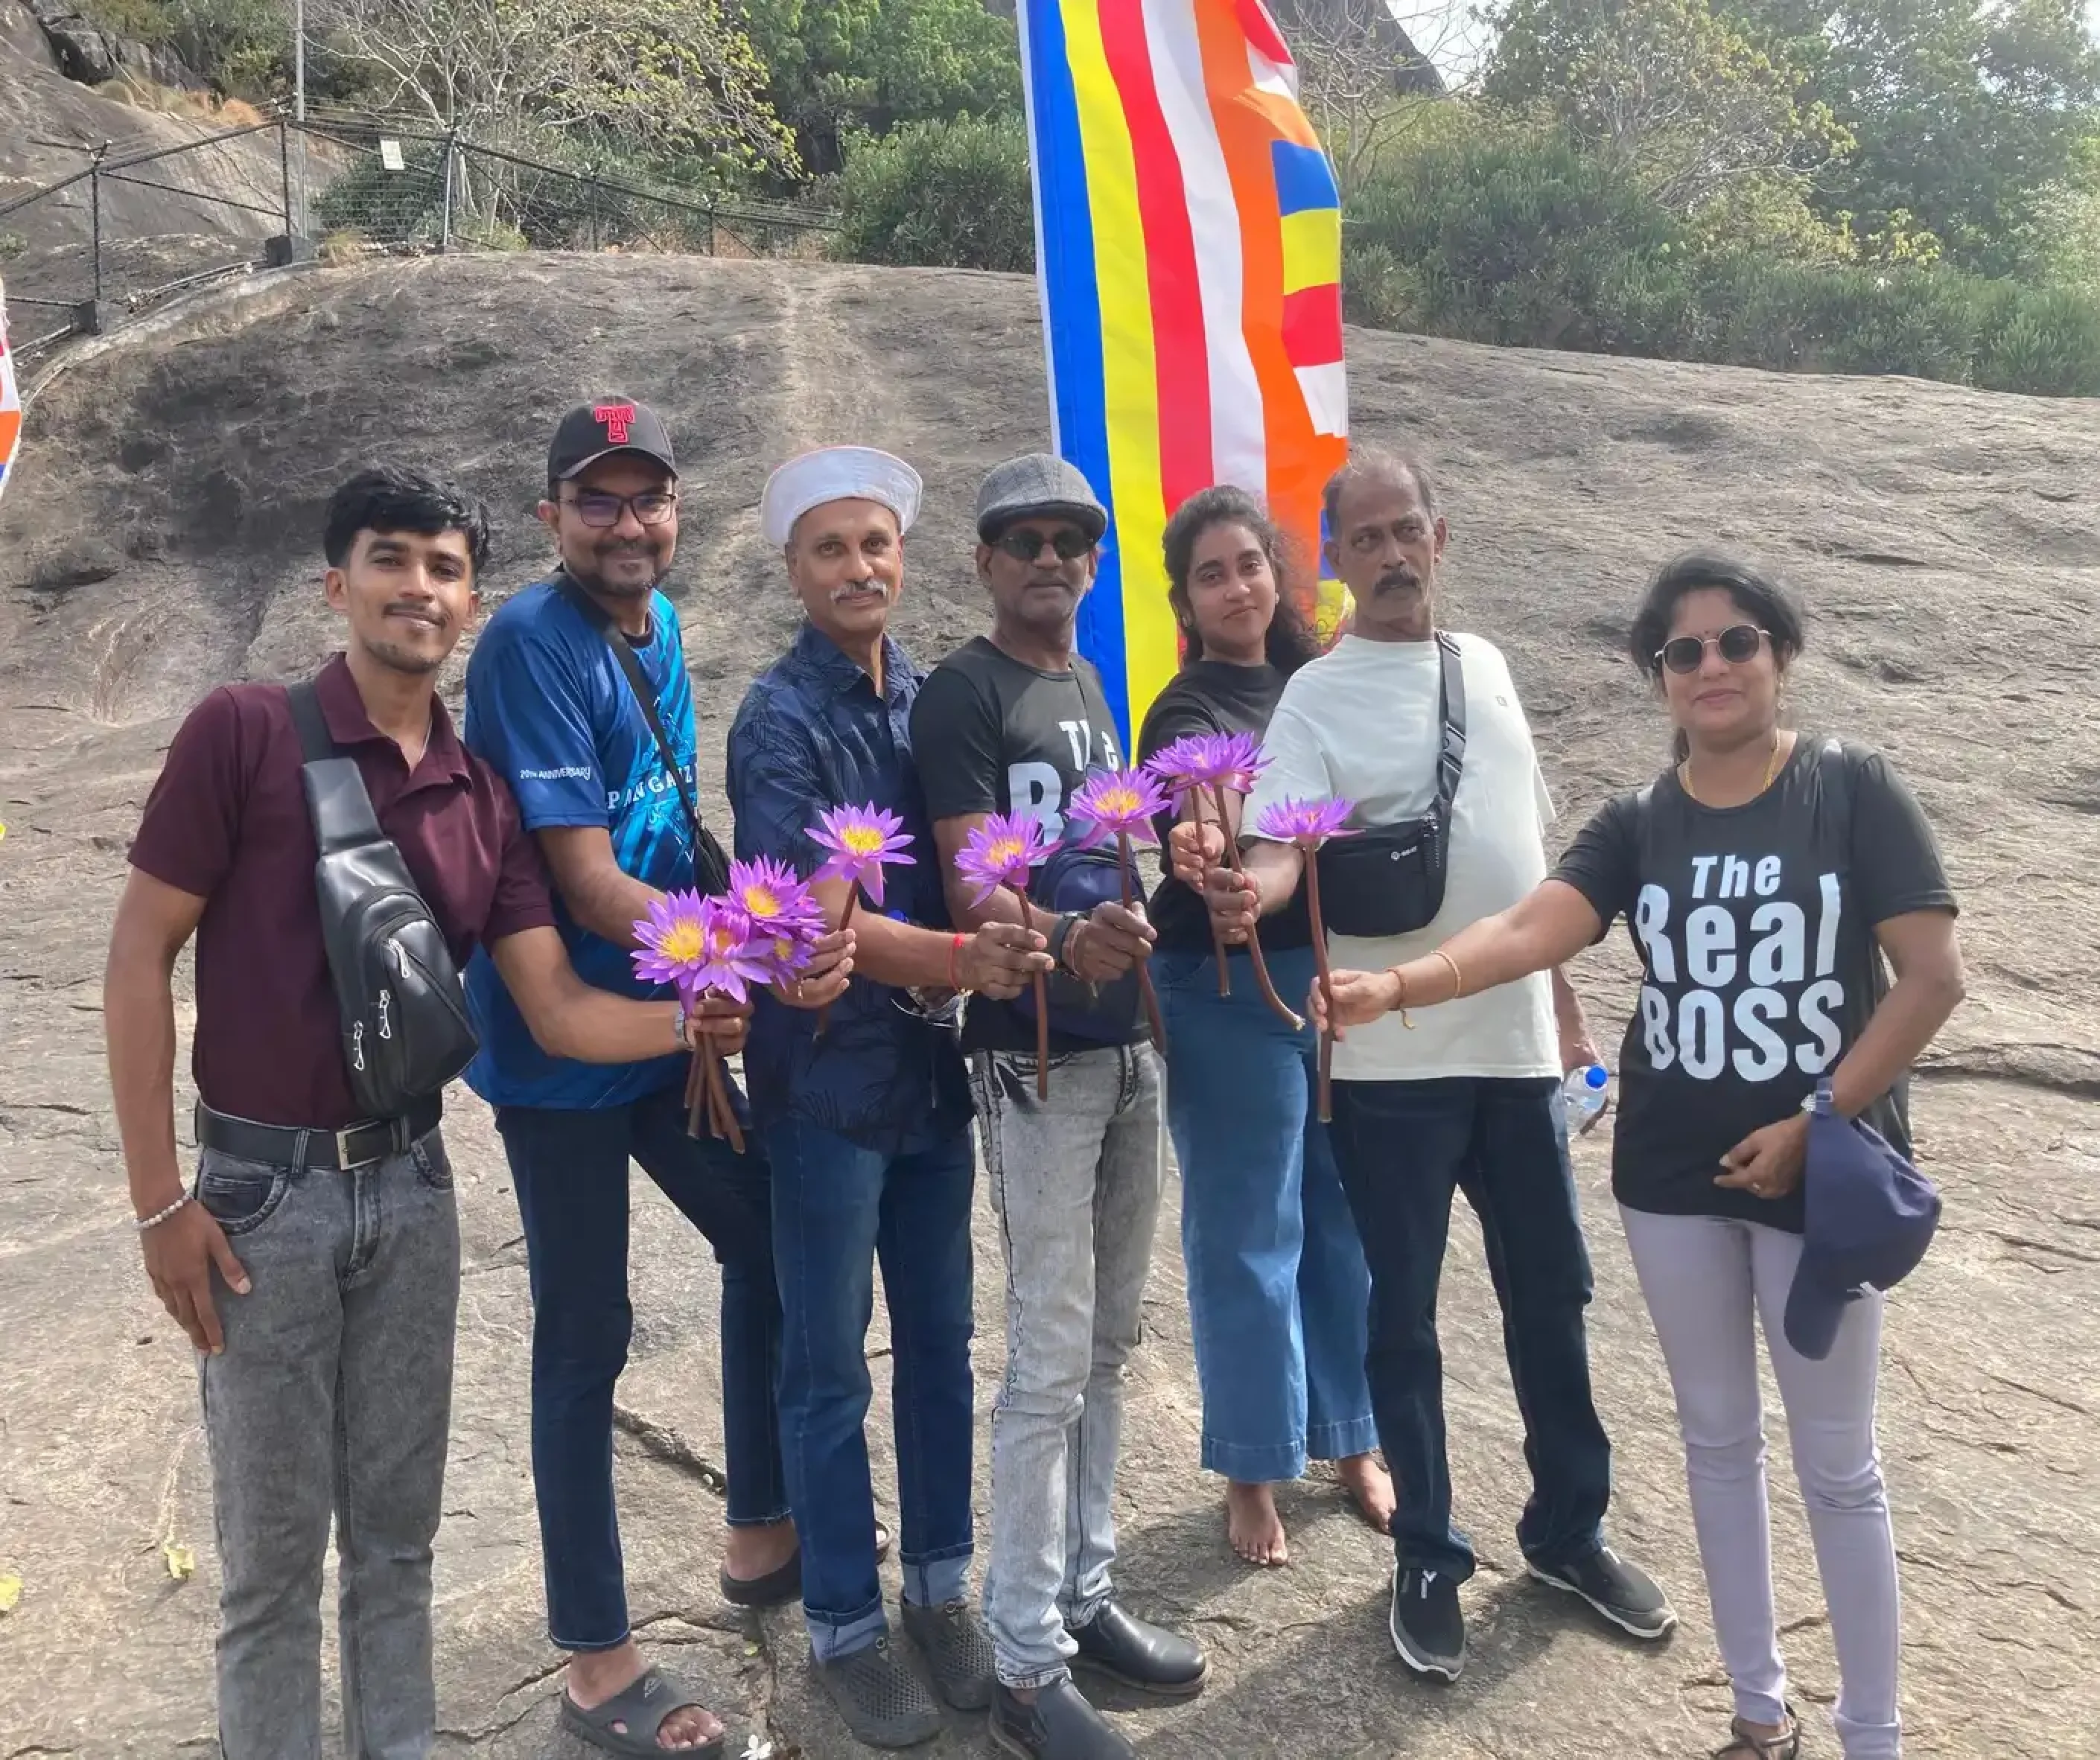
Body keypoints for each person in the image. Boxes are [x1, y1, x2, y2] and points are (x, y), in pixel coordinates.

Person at [104, 465, 751, 1760]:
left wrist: (708, 1010)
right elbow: (137, 955)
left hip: (409, 1190)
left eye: (445, 568)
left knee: (398, 1538)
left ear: (469, 603)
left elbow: (558, 1008)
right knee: (271, 1563)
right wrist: (158, 1201)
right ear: (337, 584)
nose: (419, 588)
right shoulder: (244, 732)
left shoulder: (481, 797)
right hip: (258, 1202)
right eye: (391, 560)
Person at [1320, 552, 1964, 1759]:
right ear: (1658, 679)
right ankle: (1760, 1709)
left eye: (1737, 642)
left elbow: (1931, 978)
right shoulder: (1640, 823)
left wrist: (1820, 1115)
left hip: (1821, 1176)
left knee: (1838, 1463)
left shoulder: (1849, 789)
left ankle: (1871, 1733)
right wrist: (1395, 986)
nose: (1712, 666)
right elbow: (1524, 930)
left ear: (1779, 654)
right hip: (1672, 1179)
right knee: (1717, 1441)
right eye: (1684, 651)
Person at [1205, 444, 1675, 1683]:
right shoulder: (1315, 699)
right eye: (1366, 540)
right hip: (1387, 1063)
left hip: (1516, 1051)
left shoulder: (1490, 669)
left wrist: (1566, 1009)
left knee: (1553, 1299)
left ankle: (1569, 1530)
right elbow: (1279, 855)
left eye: (1408, 530)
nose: (1394, 555)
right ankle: (1426, 1551)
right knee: (1400, 1317)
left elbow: (1532, 873)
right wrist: (1240, 897)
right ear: (1337, 566)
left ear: (1441, 535)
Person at [459, 400, 853, 1755]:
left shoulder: (659, 630)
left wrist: (746, 935)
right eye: (599, 501)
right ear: (552, 514)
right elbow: (579, 874)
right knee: (585, 1339)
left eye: (650, 500)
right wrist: (733, 957)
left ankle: (757, 1528)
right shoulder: (526, 644)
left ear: (679, 510)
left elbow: (666, 826)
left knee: (767, 1240)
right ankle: (595, 1659)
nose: (628, 526)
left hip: (672, 1025)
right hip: (565, 1045)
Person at [725, 447, 1056, 1747]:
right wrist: (965, 961)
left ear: (904, 558)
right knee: (824, 1368)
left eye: (876, 545)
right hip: (823, 1082)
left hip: (931, 1078)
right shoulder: (778, 720)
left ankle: (939, 1588)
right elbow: (821, 922)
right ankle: (844, 1628)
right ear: (795, 571)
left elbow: (980, 856)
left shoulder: (930, 696)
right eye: (830, 550)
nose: (859, 568)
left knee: (940, 1344)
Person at [910, 455, 1206, 1760]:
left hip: (1126, 1044)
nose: (1050, 559)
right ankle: (1025, 1661)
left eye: (1071, 542)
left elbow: (1116, 842)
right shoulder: (962, 694)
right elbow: (974, 879)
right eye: (1023, 540)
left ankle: (1084, 1598)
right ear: (983, 562)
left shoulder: (1094, 689)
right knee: (1044, 1352)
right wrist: (1059, 932)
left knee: (1108, 1345)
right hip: (1033, 1056)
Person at [1137, 485, 1388, 1567]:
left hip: (1335, 984)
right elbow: (1202, 802)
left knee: (1345, 1219)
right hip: (1227, 993)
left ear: (1280, 574)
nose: (1236, 587)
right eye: (1210, 573)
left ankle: (1352, 1437)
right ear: (1186, 601)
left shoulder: (1322, 683)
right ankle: (1251, 1464)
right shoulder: (1186, 710)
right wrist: (1207, 836)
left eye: (1250, 563)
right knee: (1247, 1234)